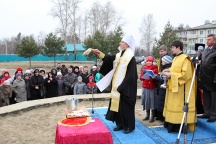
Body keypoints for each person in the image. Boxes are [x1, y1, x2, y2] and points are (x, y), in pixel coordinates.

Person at [84, 34, 137, 134]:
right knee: (117, 106)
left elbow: (131, 75)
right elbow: (109, 59)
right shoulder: (119, 55)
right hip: (117, 86)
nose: (119, 43)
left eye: (121, 41)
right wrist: (99, 53)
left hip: (125, 88)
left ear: (126, 44)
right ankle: (120, 124)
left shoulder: (131, 58)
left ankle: (129, 126)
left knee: (125, 107)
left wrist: (123, 86)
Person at [162, 40, 196, 133]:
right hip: (174, 87)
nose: (172, 49)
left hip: (182, 90)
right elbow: (174, 69)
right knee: (172, 105)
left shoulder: (185, 59)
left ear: (178, 47)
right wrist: (167, 71)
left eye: (173, 48)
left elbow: (186, 74)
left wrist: (171, 75)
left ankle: (178, 126)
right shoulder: (176, 58)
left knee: (178, 107)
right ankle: (170, 124)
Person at [199, 34, 216, 122]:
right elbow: (202, 64)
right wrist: (199, 76)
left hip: (212, 78)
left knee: (213, 97)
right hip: (204, 78)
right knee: (206, 96)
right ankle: (207, 112)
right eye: (207, 39)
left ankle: (213, 114)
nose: (207, 41)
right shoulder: (205, 50)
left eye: (209, 39)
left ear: (214, 41)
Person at [140, 56, 158, 123]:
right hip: (145, 86)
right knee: (146, 100)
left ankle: (152, 116)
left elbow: (157, 78)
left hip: (152, 87)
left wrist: (153, 77)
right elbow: (141, 78)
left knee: (152, 101)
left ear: (152, 62)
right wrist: (143, 74)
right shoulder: (143, 68)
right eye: (147, 61)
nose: (149, 62)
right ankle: (147, 115)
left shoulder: (155, 68)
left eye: (150, 61)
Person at [154, 55, 172, 122]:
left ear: (166, 62)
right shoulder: (164, 67)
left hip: (164, 88)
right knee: (160, 101)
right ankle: (159, 116)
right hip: (160, 87)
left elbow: (164, 79)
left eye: (163, 61)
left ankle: (162, 117)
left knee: (162, 102)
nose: (161, 63)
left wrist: (156, 77)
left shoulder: (167, 68)